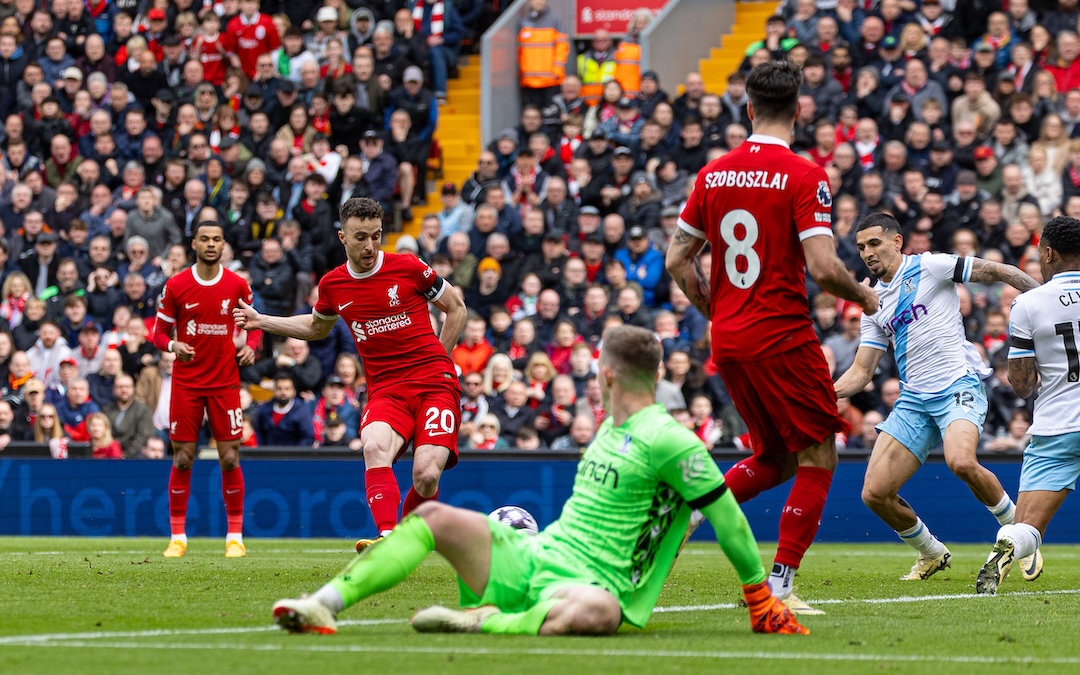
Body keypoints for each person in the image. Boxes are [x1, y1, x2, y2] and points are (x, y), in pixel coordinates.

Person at [271, 325, 807, 636]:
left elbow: (727, 516)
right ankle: (325, 603)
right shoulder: (607, 428)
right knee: (430, 515)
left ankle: (481, 621)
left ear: (608, 374)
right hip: (534, 557)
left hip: (584, 589)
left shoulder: (670, 440)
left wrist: (760, 598)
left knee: (600, 613)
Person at [665, 60, 879, 616]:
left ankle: (694, 507)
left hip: (729, 339)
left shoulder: (713, 174)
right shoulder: (806, 176)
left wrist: (714, 309)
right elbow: (826, 269)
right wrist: (866, 298)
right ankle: (779, 587)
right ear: (800, 110)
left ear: (749, 109)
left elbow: (676, 259)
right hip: (782, 336)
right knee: (818, 453)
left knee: (777, 458)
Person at [234, 198, 467, 551]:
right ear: (343, 237)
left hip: (434, 383)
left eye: (376, 236)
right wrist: (261, 320)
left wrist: (440, 359)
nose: (370, 246)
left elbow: (456, 308)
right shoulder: (334, 284)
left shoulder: (408, 267)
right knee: (373, 447)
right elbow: (316, 327)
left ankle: (407, 532)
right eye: (361, 237)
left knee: (426, 474)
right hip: (387, 389)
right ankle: (389, 539)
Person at [834, 212, 1042, 584]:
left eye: (874, 243)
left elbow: (999, 270)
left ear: (897, 242)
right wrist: (823, 394)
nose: (867, 252)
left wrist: (1043, 298)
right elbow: (861, 373)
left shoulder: (931, 266)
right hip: (914, 399)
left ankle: (1020, 533)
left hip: (956, 384)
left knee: (960, 461)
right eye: (861, 246)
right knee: (874, 493)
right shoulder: (872, 302)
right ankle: (931, 552)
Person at [977, 216, 1080, 594]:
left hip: (1057, 426)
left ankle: (1011, 545)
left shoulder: (1028, 304)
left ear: (1049, 253)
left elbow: (1021, 385)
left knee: (1026, 528)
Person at [152, 221, 260, 559]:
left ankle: (235, 535)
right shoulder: (176, 285)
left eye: (216, 239)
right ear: (194, 244)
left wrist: (251, 346)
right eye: (205, 239)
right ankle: (178, 536)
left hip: (225, 382)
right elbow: (158, 333)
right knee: (183, 458)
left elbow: (254, 323)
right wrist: (172, 345)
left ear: (223, 244)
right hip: (186, 383)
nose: (211, 244)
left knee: (230, 457)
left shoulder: (237, 285)